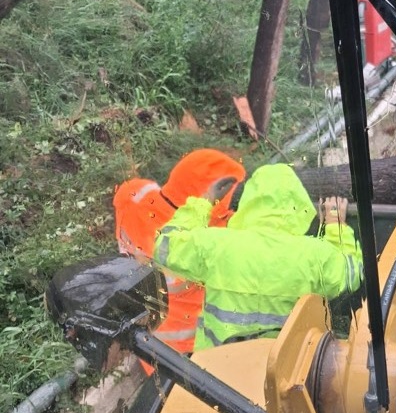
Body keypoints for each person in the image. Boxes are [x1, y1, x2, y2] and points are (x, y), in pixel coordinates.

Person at [152, 162, 363, 351]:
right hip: (282, 377)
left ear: (249, 201)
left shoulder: (215, 245)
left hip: (216, 376)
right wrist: (336, 226)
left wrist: (203, 202)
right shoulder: (313, 254)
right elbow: (351, 274)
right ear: (298, 203)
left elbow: (164, 247)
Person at [113, 148, 246, 368]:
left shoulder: (135, 196)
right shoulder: (206, 241)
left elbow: (131, 192)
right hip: (197, 350)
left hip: (150, 345)